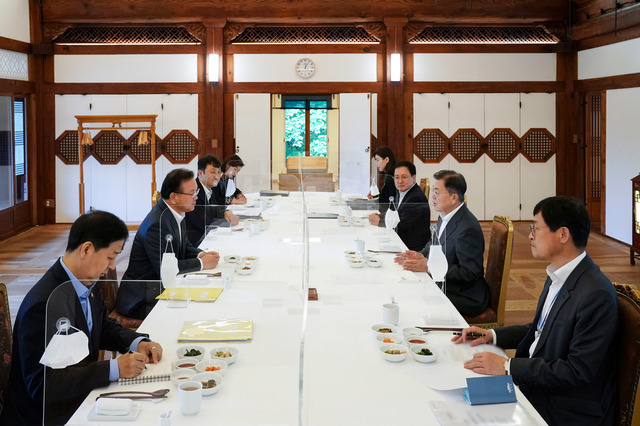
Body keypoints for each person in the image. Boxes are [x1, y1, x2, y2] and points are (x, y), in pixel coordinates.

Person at [453, 196, 618, 425]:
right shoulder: (558, 274)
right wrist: (492, 335)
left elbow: (577, 371)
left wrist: (507, 366)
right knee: (457, 390)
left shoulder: (596, 293)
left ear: (563, 234)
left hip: (563, 406)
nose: (530, 235)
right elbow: (542, 330)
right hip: (539, 385)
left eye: (536, 228)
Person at [1, 211, 164, 425]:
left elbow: (102, 327)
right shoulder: (43, 304)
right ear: (86, 249)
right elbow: (43, 385)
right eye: (110, 257)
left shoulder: (85, 281)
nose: (112, 266)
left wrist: (137, 342)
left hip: (80, 395)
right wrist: (113, 369)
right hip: (48, 414)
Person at [117, 169, 220, 319]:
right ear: (174, 197)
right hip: (142, 298)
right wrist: (202, 263)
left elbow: (184, 245)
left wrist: (201, 254)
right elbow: (166, 269)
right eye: (192, 193)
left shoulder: (175, 212)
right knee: (200, 310)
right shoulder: (157, 224)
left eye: (196, 191)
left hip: (161, 287)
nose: (196, 197)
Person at [394, 170, 489, 317]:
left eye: (437, 192)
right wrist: (419, 255)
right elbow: (433, 243)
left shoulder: (467, 228)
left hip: (465, 294)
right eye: (433, 191)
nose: (432, 196)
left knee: (414, 297)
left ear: (453, 197)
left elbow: (469, 273)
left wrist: (429, 266)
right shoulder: (445, 214)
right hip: (445, 283)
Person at [370, 161, 430, 251]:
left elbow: (403, 225)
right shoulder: (401, 191)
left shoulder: (416, 197)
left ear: (414, 178)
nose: (400, 181)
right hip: (400, 240)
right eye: (396, 177)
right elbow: (395, 213)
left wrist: (379, 221)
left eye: (404, 177)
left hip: (411, 248)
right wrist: (379, 216)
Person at [185, 154, 239, 246]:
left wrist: (226, 212)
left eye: (219, 173)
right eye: (213, 172)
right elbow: (204, 223)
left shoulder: (209, 188)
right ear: (200, 173)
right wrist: (228, 221)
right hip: (197, 242)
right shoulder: (194, 193)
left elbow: (214, 209)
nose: (217, 177)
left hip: (208, 235)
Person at [367, 146, 396, 226]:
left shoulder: (391, 177)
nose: (376, 164)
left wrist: (381, 217)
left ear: (386, 159)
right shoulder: (387, 175)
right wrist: (375, 195)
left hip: (389, 217)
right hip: (385, 213)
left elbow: (392, 202)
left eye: (378, 160)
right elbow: (386, 196)